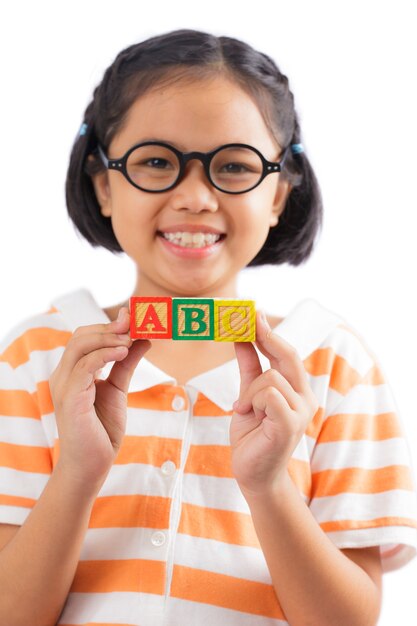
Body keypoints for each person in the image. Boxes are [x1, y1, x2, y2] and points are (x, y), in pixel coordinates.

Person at [0, 28, 416, 626]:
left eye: (234, 166)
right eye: (155, 162)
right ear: (102, 183)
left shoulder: (332, 366)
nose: (195, 196)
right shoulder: (36, 359)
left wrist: (271, 488)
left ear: (278, 195)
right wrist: (76, 473)